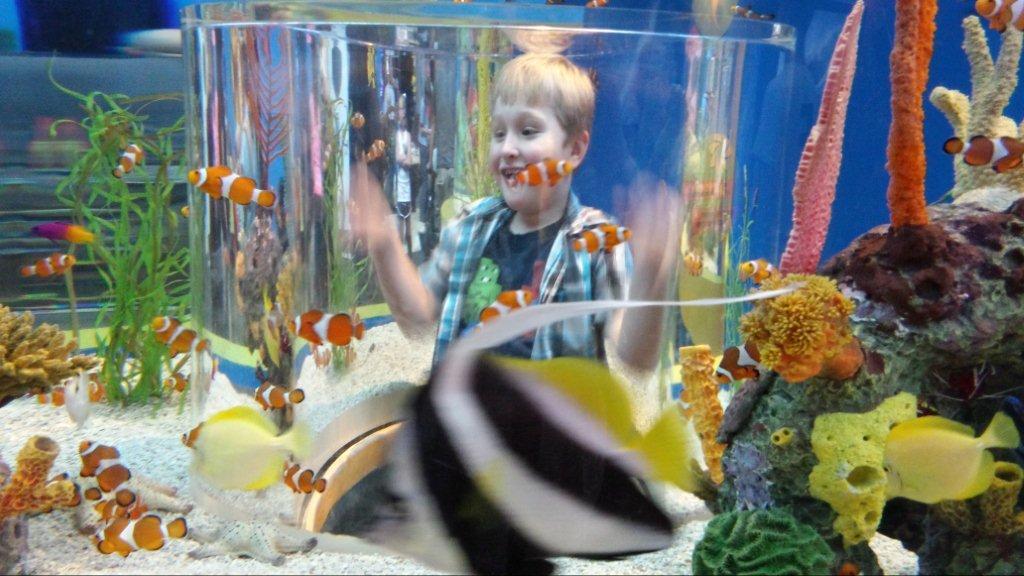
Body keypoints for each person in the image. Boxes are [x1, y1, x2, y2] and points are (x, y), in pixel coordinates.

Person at [351, 53, 679, 370]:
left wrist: (653, 273)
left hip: (549, 425)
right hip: (463, 420)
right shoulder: (471, 224)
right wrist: (384, 245)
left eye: (527, 131)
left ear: (575, 149)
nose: (508, 148)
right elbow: (419, 319)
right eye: (498, 133)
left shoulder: (599, 241)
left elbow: (635, 356)